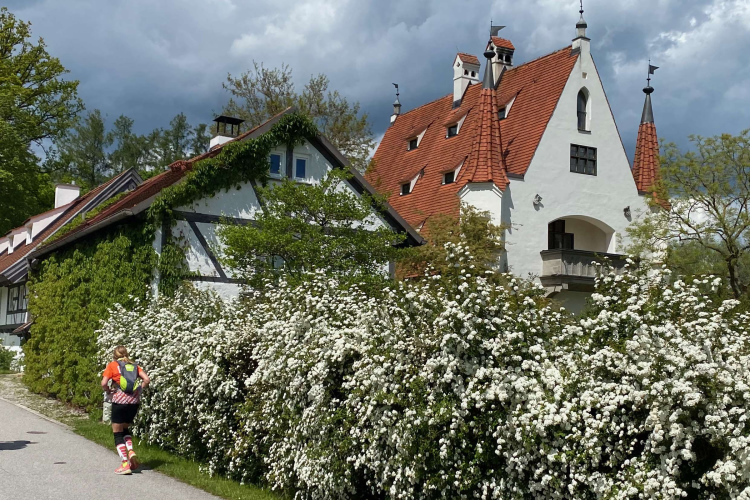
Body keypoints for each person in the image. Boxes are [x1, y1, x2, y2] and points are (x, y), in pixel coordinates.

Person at [101, 345, 150, 475]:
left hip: (119, 402)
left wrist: (108, 390)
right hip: (133, 402)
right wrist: (139, 389)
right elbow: (146, 379)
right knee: (125, 429)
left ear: (114, 355)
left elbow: (104, 383)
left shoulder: (112, 365)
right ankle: (131, 451)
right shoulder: (134, 366)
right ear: (126, 354)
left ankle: (124, 464)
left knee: (117, 433)